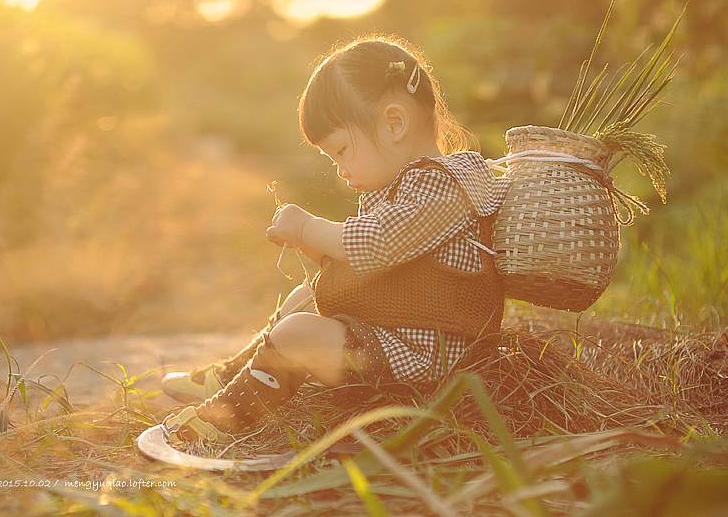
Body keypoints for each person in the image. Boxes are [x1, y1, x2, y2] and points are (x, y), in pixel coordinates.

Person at [161, 36, 510, 444]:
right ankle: (236, 376)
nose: (340, 170)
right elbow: (384, 267)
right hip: (403, 336)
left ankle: (224, 420)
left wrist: (310, 227)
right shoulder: (409, 183)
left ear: (394, 123)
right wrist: (321, 252)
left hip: (433, 362)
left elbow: (379, 243)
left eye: (343, 150)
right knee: (303, 298)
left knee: (296, 334)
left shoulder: (444, 185)